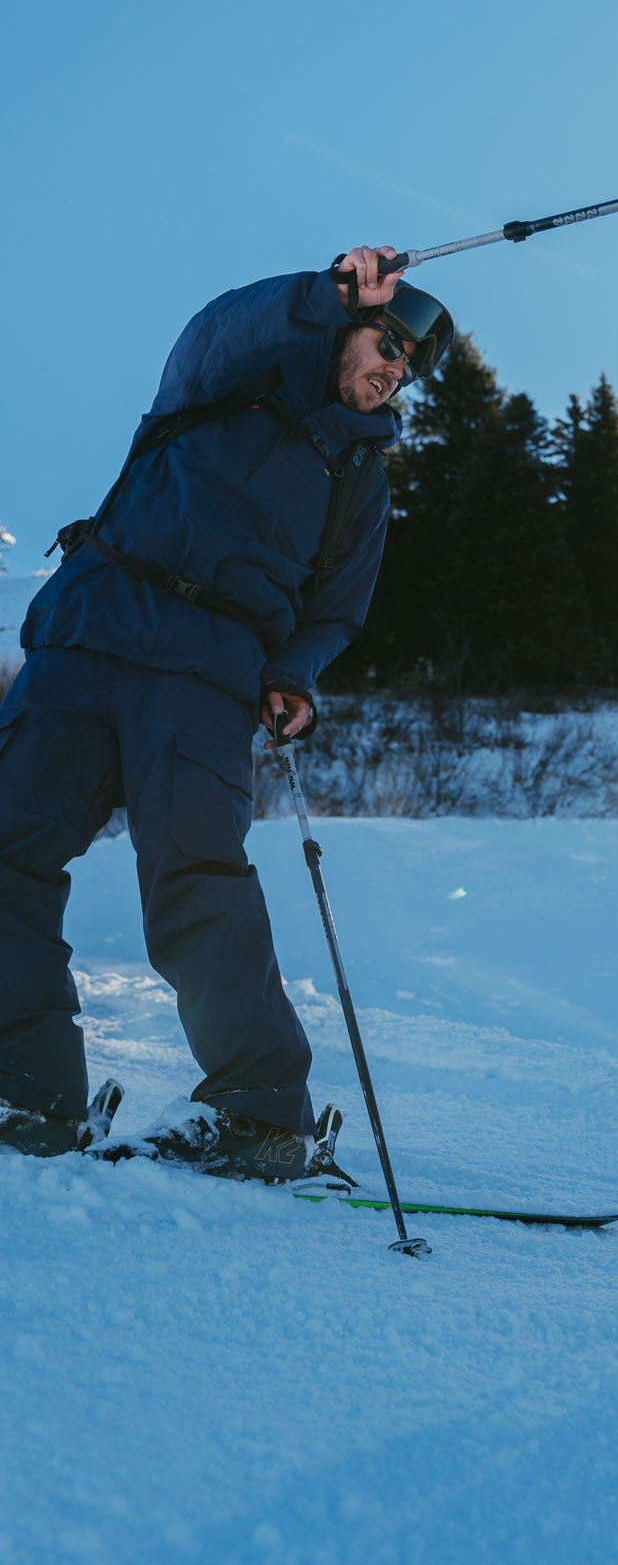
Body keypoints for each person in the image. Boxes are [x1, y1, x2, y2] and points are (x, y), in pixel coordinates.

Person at [0, 247, 453, 1179]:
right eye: (387, 342)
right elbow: (220, 325)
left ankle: (259, 1117)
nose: (395, 370)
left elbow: (335, 612)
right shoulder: (224, 379)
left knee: (196, 873)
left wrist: (290, 675)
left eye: (409, 365)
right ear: (343, 331)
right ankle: (29, 1094)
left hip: (206, 674)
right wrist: (320, 295)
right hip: (90, 634)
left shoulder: (359, 477)